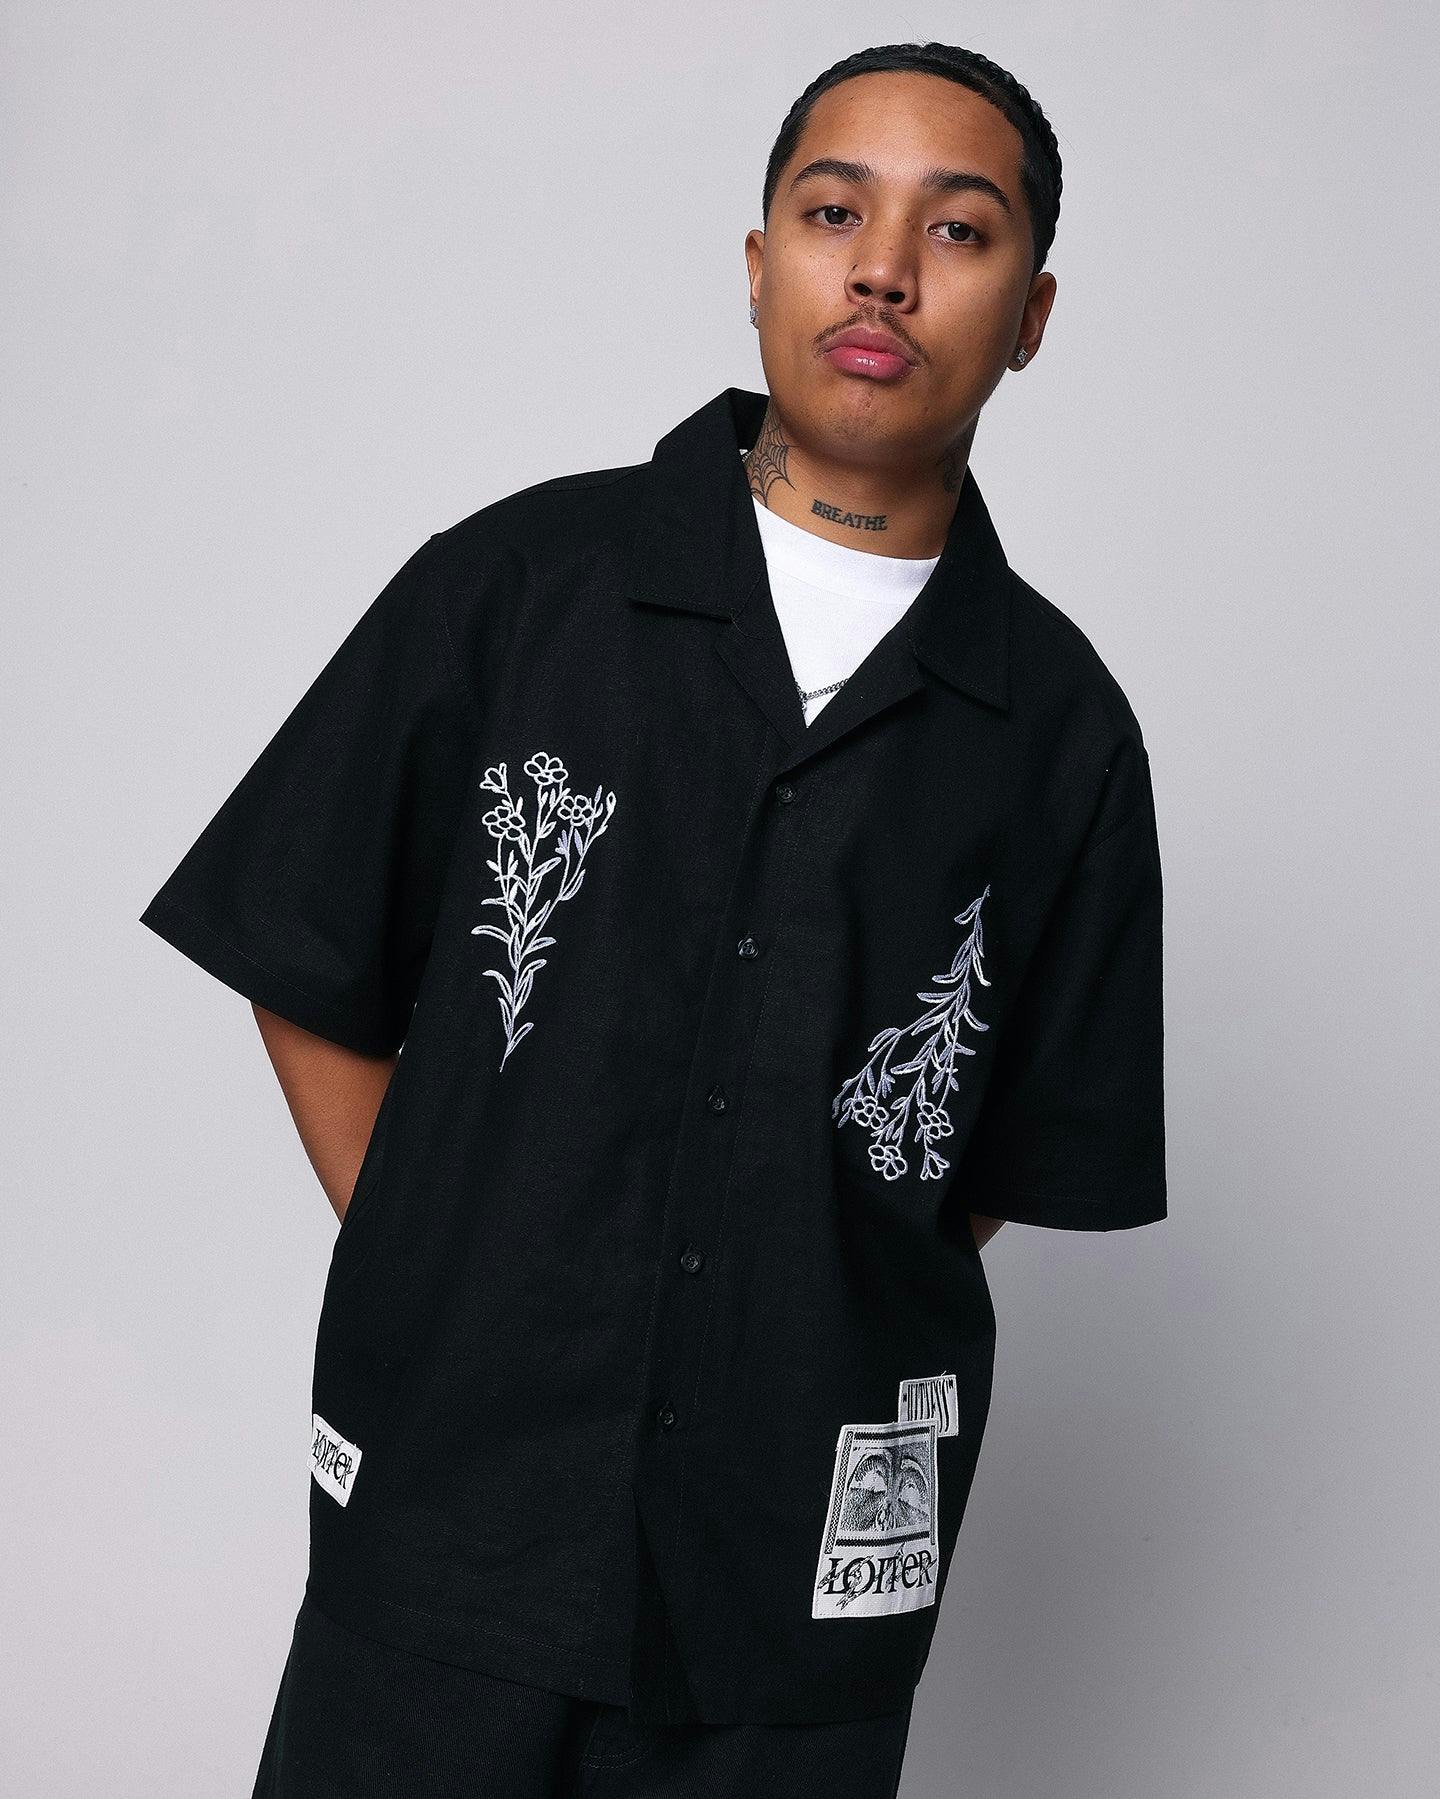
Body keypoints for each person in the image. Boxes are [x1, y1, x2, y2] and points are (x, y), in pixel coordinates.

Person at [140, 39, 1168, 1799]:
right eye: (833, 213)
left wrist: (783, 1276)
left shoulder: (1057, 729)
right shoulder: (523, 588)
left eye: (958, 230)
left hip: (794, 1575)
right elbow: (302, 947)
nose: (883, 270)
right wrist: (448, 1252)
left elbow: (991, 1157)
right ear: (758, 263)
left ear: (1033, 314)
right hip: (452, 1516)